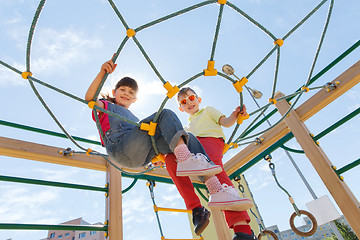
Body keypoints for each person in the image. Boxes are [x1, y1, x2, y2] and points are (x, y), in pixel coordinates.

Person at [85, 57, 252, 236]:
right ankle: (188, 160)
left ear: (135, 99)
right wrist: (103, 73)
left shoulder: (133, 118)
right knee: (164, 114)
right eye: (122, 90)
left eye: (131, 92)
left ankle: (211, 195)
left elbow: (152, 142)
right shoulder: (106, 106)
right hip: (121, 147)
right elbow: (90, 99)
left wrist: (158, 159)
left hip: (138, 157)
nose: (126, 93)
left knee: (185, 140)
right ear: (114, 91)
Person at [176, 86, 257, 240]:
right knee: (216, 186)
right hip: (196, 149)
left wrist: (235, 114)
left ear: (198, 99)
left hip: (211, 141)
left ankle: (243, 229)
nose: (189, 103)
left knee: (216, 172)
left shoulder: (208, 110)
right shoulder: (186, 127)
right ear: (181, 108)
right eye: (184, 102)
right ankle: (242, 230)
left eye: (191, 98)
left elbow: (226, 122)